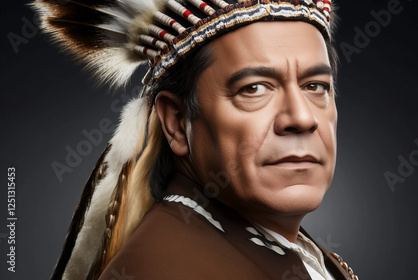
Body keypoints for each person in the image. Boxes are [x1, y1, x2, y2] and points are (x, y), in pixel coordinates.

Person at [32, 0, 358, 279]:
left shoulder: (293, 251)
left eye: (316, 86)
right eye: (254, 88)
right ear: (176, 122)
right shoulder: (161, 270)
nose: (301, 118)